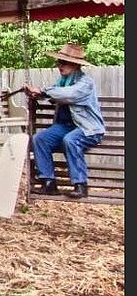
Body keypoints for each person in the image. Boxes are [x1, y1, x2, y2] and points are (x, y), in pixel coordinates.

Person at [23, 43, 105, 199]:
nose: (59, 65)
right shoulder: (63, 81)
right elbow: (56, 93)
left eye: (63, 62)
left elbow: (69, 94)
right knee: (39, 139)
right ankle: (49, 183)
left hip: (88, 129)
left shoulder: (85, 82)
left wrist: (43, 91)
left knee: (70, 140)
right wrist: (37, 95)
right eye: (58, 62)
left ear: (75, 65)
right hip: (66, 127)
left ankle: (80, 185)